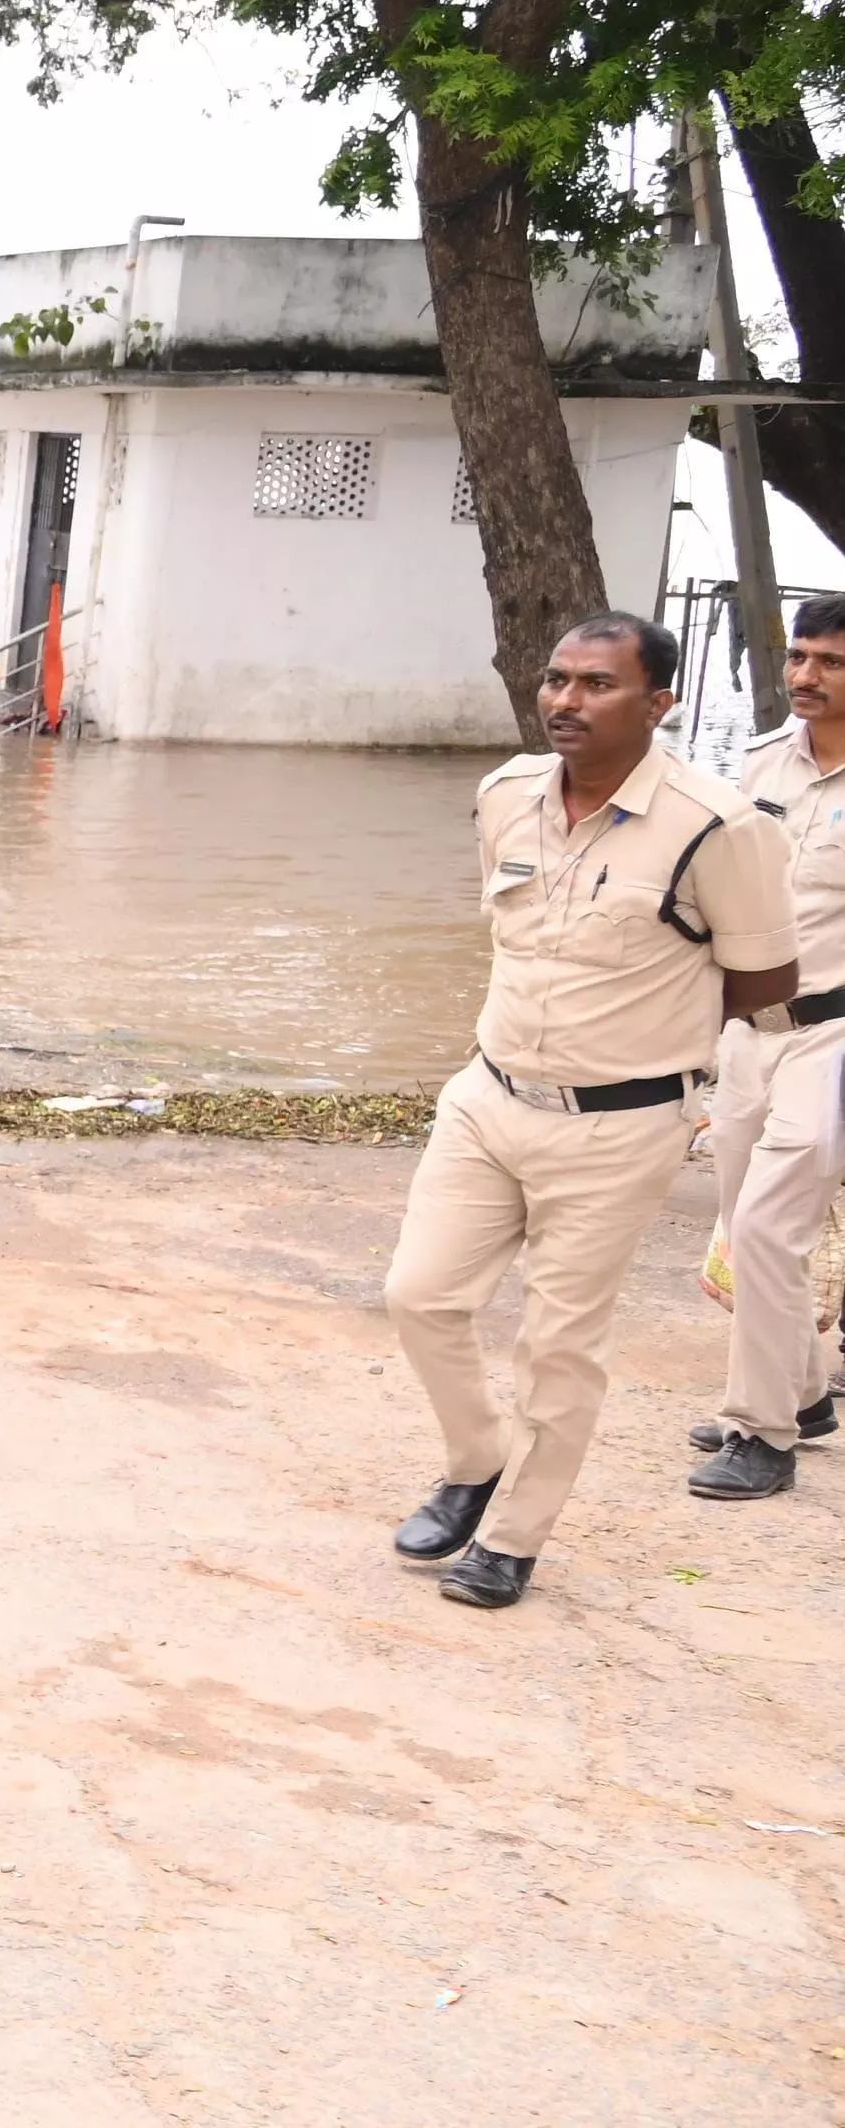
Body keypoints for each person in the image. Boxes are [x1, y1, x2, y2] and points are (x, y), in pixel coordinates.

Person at [382, 613, 795, 1608]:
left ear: (659, 702)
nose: (566, 700)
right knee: (419, 1295)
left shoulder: (718, 827)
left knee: (558, 1343)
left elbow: (763, 982)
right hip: (486, 1097)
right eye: (558, 679)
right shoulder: (505, 794)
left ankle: (513, 1536)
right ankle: (475, 1461)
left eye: (597, 684)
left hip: (618, 1126)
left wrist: (655, 1053)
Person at [688, 595, 845, 1498]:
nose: (805, 677)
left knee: (765, 1227)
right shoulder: (756, 766)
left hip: (833, 1036)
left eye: (829, 661)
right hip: (749, 1034)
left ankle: (762, 1432)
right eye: (798, 658)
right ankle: (807, 1391)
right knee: (741, 1218)